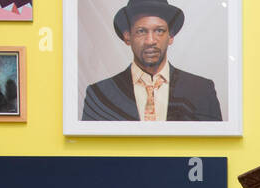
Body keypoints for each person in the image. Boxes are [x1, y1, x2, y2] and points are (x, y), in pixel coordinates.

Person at [81, 0, 222, 122]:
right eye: (141, 31)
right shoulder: (100, 95)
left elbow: (214, 148)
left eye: (159, 31)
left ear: (171, 36)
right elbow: (91, 151)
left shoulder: (201, 91)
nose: (150, 41)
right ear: (127, 37)